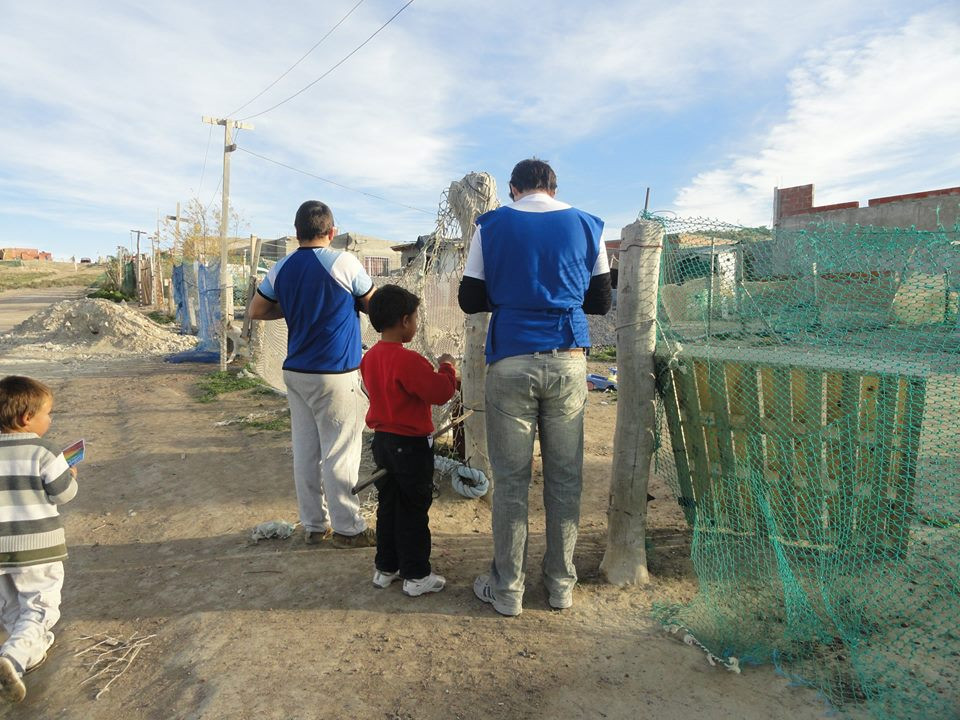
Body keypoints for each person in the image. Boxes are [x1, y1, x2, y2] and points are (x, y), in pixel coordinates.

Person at [458, 158, 612, 616]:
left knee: (511, 483)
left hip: (510, 360)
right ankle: (561, 585)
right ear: (554, 186)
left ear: (513, 188)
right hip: (567, 359)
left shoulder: (491, 225)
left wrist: (513, 294)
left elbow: (469, 299)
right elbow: (601, 301)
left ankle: (508, 590)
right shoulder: (589, 225)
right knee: (565, 479)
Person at [248, 200, 376, 549]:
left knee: (306, 452)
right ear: (331, 232)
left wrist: (290, 309)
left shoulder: (282, 267)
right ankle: (349, 529)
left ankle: (315, 525)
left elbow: (256, 309)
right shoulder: (344, 262)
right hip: (335, 372)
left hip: (296, 371)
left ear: (296, 233)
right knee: (340, 453)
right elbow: (373, 304)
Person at [360, 285, 458, 596]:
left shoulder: (370, 357)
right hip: (411, 447)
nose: (416, 324)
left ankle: (385, 568)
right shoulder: (408, 360)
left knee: (389, 506)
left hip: (383, 442)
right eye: (415, 318)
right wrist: (447, 366)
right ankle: (417, 575)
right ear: (404, 321)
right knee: (414, 509)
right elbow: (441, 393)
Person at [0, 376, 78, 703]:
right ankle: (14, 659)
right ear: (26, 419)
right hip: (37, 549)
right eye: (49, 413)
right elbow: (64, 494)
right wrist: (70, 474)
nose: (51, 419)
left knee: (11, 609)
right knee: (39, 609)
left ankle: (23, 655)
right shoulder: (44, 451)